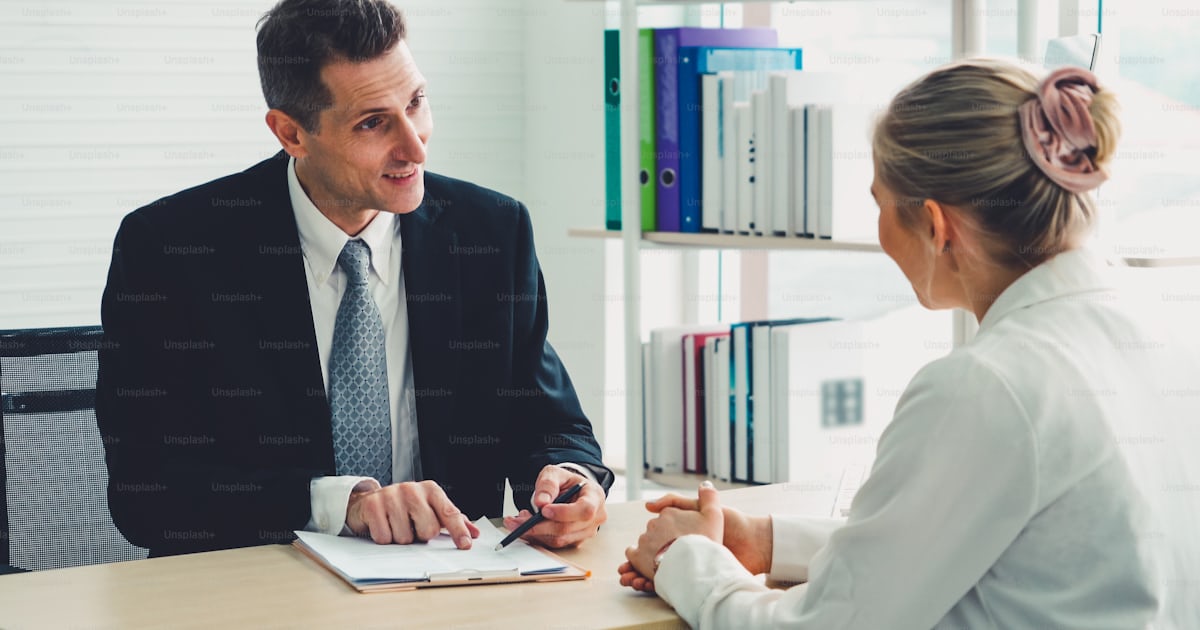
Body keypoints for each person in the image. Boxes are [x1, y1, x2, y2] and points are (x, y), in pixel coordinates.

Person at [618, 59, 1200, 628]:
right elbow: (992, 546)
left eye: (878, 203)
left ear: (936, 224)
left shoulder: (987, 385)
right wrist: (771, 542)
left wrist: (688, 561)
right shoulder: (1164, 330)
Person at [95, 0, 611, 558]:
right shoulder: (172, 250)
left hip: (452, 589)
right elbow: (147, 493)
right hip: (256, 592)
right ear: (291, 133)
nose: (415, 146)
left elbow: (551, 423)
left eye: (415, 102)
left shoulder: (491, 232)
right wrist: (343, 504)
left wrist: (569, 476)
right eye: (373, 122)